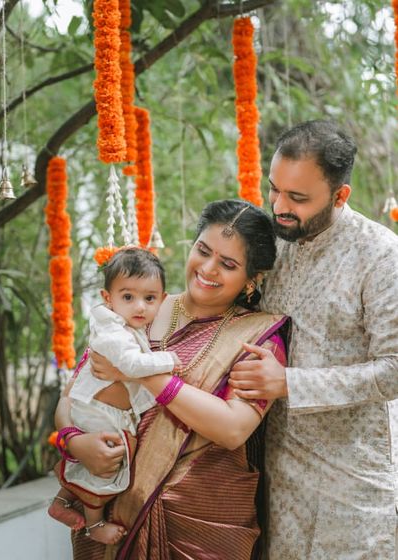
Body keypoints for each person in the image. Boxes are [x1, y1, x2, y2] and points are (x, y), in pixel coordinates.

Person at [54, 199, 289, 559]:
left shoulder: (257, 337)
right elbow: (75, 393)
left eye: (228, 264)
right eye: (203, 250)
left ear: (250, 280)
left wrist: (142, 374)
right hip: (114, 514)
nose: (208, 268)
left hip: (200, 521)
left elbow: (232, 428)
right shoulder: (138, 306)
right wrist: (73, 443)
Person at [229, 120, 398, 559]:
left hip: (352, 481)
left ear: (341, 196)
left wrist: (289, 383)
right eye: (274, 190)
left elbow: (395, 368)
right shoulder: (273, 242)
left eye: (298, 198)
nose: (279, 206)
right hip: (276, 478)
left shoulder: (381, 256)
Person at [49, 248, 180, 545]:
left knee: (91, 463)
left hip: (101, 411)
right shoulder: (114, 333)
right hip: (99, 414)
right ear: (107, 298)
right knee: (107, 467)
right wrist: (170, 361)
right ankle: (94, 524)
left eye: (150, 298)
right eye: (128, 297)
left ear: (163, 298)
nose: (140, 307)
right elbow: (133, 366)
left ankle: (61, 501)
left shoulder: (126, 327)